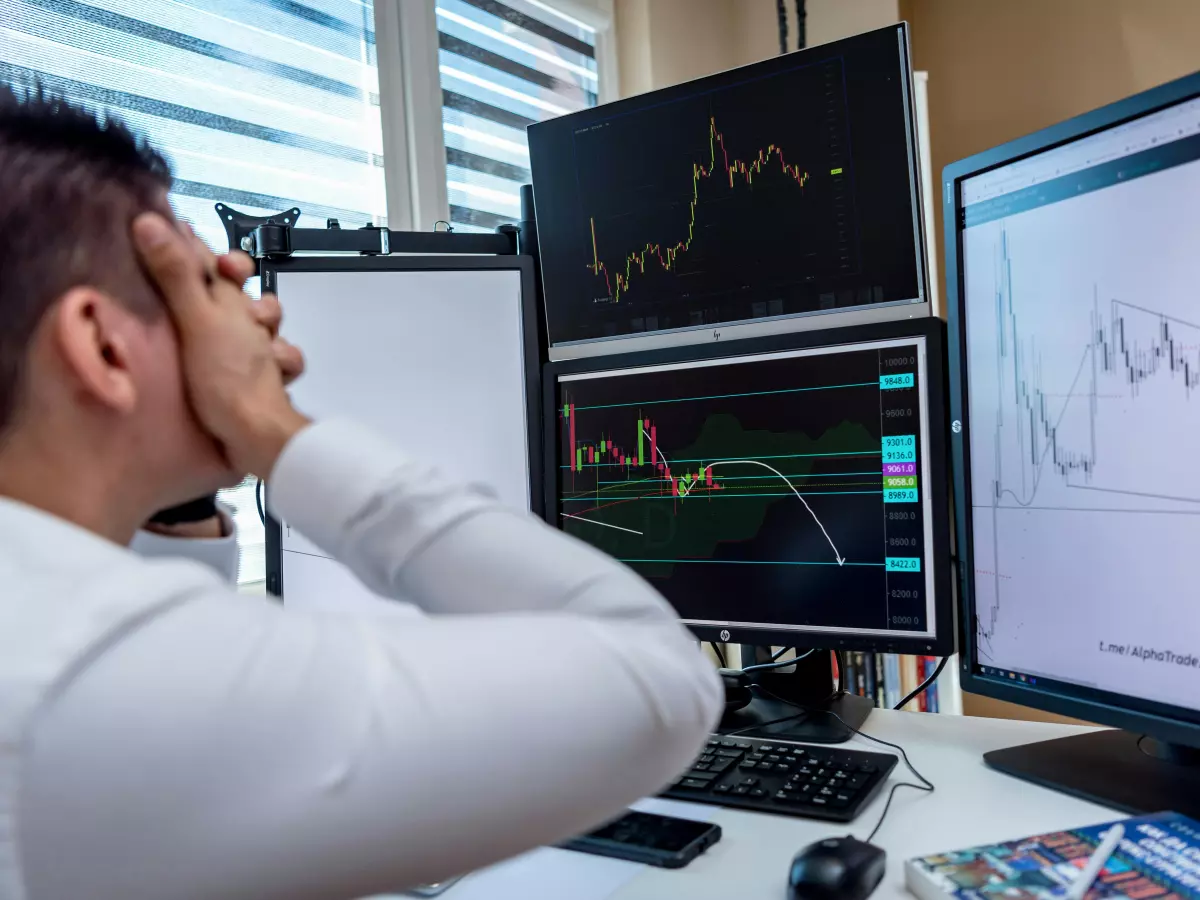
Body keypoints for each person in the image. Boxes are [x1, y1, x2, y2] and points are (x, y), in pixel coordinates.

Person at [0, 86, 722, 900]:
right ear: (101, 345)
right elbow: (661, 680)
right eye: (205, 289)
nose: (258, 310)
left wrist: (172, 506)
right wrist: (273, 429)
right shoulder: (93, 676)